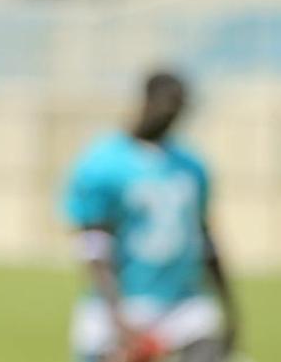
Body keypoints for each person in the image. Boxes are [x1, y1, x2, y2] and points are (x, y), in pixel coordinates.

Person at [61, 71, 239, 362]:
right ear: (145, 101)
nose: (171, 118)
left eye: (178, 110)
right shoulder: (103, 161)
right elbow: (93, 244)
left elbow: (205, 238)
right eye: (167, 107)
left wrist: (231, 311)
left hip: (181, 304)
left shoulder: (190, 165)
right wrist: (118, 319)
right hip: (124, 302)